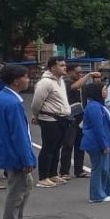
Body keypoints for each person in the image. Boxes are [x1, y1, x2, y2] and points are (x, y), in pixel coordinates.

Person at [0, 65, 38, 219]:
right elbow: (19, 134)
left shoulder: (1, 97)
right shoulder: (12, 103)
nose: (28, 80)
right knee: (17, 190)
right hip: (15, 153)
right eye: (26, 77)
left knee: (25, 186)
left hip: (7, 150)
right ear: (16, 80)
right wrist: (27, 158)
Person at [30, 56, 72, 188]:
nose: (64, 67)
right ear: (53, 67)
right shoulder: (45, 82)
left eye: (65, 65)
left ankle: (53, 173)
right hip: (49, 119)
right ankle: (43, 177)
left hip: (62, 118)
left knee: (56, 147)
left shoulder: (61, 81)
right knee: (48, 148)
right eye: (61, 65)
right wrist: (36, 115)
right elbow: (36, 102)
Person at [80, 82, 110, 203]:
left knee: (108, 168)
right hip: (96, 143)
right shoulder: (94, 107)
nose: (106, 92)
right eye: (104, 90)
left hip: (106, 141)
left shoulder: (99, 105)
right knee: (99, 169)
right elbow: (98, 128)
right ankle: (96, 195)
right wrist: (104, 145)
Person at [60, 63, 98, 180]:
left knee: (80, 145)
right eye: (77, 72)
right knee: (68, 144)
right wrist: (89, 75)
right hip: (70, 118)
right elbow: (74, 87)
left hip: (81, 117)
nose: (80, 75)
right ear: (69, 72)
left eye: (81, 72)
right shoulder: (65, 83)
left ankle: (79, 169)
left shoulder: (82, 85)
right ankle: (64, 171)